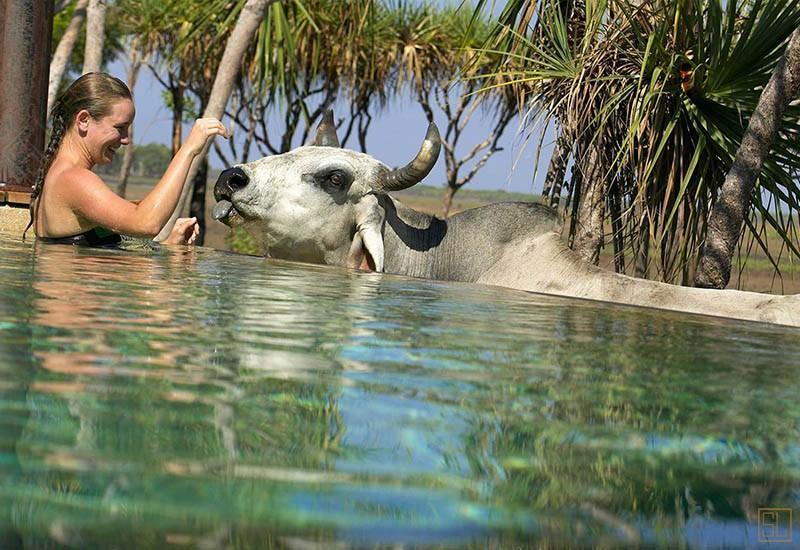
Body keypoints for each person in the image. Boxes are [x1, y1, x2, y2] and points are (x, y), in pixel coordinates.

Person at [26, 72, 229, 246]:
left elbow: (91, 261)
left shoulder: (58, 173)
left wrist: (169, 246)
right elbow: (147, 223)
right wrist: (189, 150)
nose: (126, 139)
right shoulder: (73, 179)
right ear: (84, 120)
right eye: (119, 128)